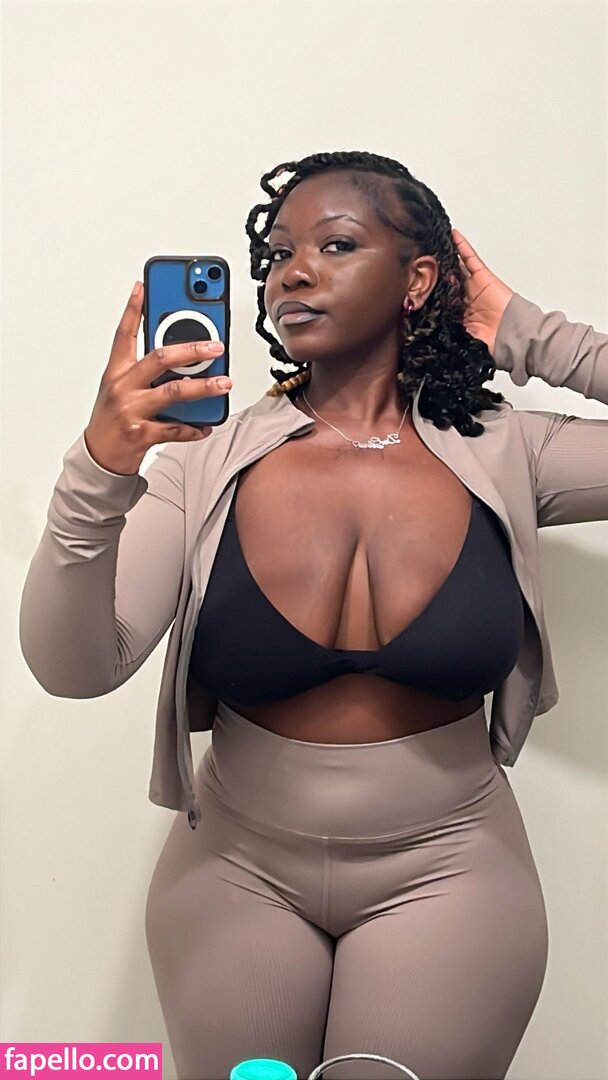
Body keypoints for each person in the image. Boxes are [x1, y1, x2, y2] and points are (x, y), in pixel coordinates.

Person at [19, 150, 608, 1080]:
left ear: (420, 280)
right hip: (233, 875)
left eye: (335, 245)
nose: (293, 272)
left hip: (451, 870)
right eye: (278, 254)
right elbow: (75, 668)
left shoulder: (508, 451)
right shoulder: (203, 464)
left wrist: (528, 334)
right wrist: (100, 470)